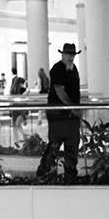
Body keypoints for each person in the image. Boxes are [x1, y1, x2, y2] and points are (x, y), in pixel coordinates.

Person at [41, 43, 82, 183]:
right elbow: (59, 90)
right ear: (63, 55)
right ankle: (46, 174)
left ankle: (70, 176)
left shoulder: (73, 69)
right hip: (58, 114)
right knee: (54, 145)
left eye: (73, 55)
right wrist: (72, 107)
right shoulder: (58, 69)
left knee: (72, 146)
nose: (71, 57)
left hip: (70, 115)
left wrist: (76, 110)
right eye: (69, 54)